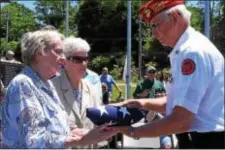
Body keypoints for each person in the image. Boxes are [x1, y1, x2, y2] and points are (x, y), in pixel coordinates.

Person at [112, 0, 224, 149]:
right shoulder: (188, 49)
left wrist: (134, 131)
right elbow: (177, 102)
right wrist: (141, 103)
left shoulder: (192, 53)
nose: (153, 32)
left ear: (175, 17)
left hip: (205, 141)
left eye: (157, 24)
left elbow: (181, 120)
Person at [1, 30, 117, 148]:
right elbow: (33, 141)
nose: (63, 58)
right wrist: (80, 140)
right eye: (58, 52)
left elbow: (56, 124)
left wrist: (80, 132)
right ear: (39, 52)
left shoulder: (46, 84)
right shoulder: (23, 84)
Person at [51, 37, 106, 148]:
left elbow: (98, 123)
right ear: (64, 61)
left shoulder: (92, 89)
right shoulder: (51, 88)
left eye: (86, 59)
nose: (84, 63)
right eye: (77, 59)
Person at [133, 66, 171, 149]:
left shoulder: (159, 83)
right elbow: (135, 96)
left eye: (153, 72)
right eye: (150, 72)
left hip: (158, 109)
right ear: (146, 73)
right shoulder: (141, 84)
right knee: (148, 129)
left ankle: (163, 144)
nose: (152, 73)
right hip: (145, 111)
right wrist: (141, 95)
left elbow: (165, 95)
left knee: (162, 127)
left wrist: (162, 95)